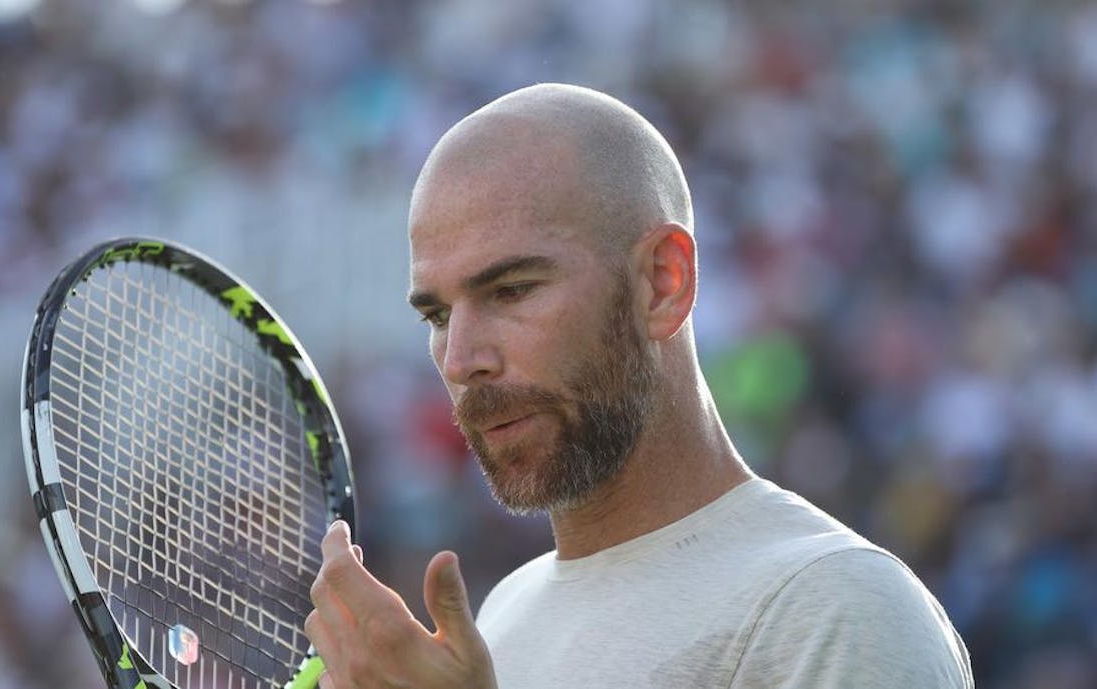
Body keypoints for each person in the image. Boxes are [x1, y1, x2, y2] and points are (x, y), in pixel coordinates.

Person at [303, 83, 974, 688]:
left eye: (511, 290)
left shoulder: (836, 607)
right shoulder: (503, 613)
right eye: (438, 314)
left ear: (663, 282)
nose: (460, 359)